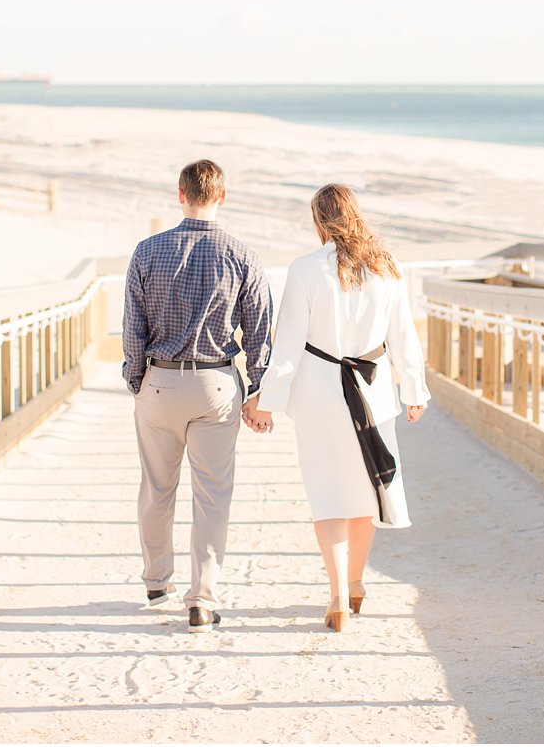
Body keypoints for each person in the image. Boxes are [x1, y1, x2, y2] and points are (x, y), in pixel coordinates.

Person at [243, 183, 429, 632]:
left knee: (328, 494)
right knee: (364, 493)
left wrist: (268, 400)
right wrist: (414, 389)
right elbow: (404, 335)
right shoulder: (388, 267)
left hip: (319, 394)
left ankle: (338, 596)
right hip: (375, 390)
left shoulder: (306, 269)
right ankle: (358, 582)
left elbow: (286, 343)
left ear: (318, 220)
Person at [122, 159, 272, 633]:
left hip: (161, 381)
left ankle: (155, 580)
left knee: (156, 487)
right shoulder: (241, 254)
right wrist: (259, 387)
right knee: (212, 495)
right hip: (216, 385)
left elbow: (132, 329)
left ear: (180, 194)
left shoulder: (147, 252)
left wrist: (136, 380)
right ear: (222, 197)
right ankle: (202, 599)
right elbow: (260, 330)